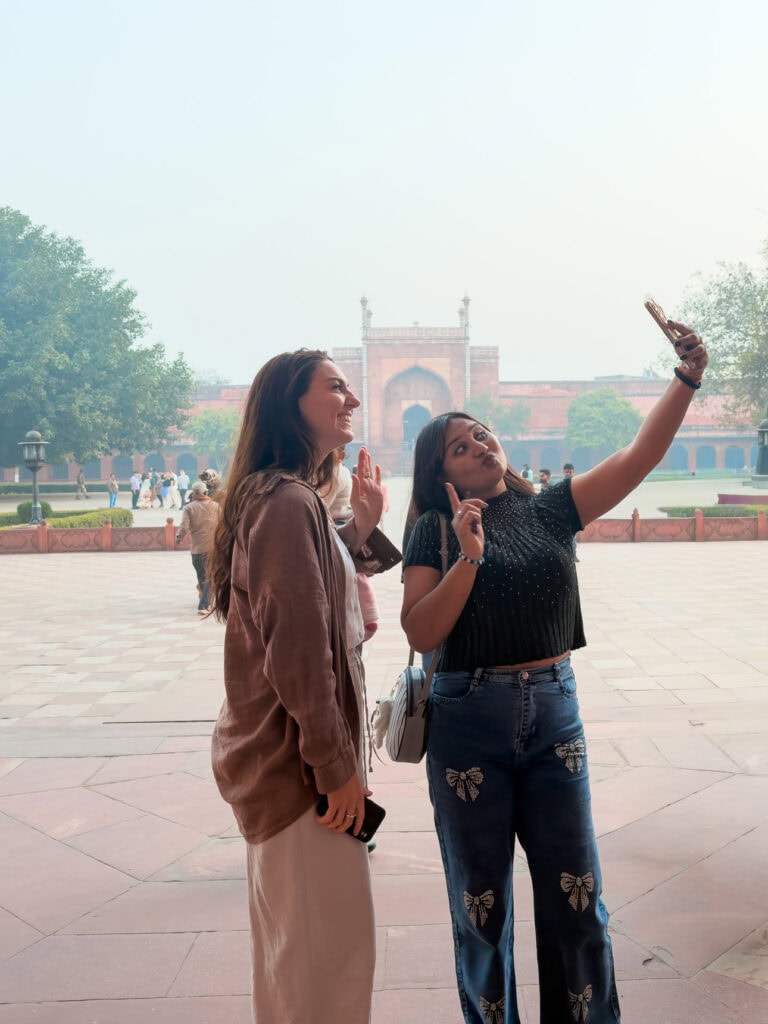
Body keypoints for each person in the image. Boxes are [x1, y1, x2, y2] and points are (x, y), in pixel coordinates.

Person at [400, 322, 708, 1024]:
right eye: (459, 445)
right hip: (468, 720)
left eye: (480, 433)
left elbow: (639, 457)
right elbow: (421, 630)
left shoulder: (550, 511)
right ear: (439, 474)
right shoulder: (435, 531)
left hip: (554, 715)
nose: (479, 445)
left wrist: (686, 379)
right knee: (481, 907)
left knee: (579, 900)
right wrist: (468, 556)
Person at [207, 349, 400, 1024]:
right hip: (299, 777)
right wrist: (334, 767)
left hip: (282, 768)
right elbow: (298, 654)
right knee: (329, 968)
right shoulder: (289, 502)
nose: (351, 399)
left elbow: (317, 581)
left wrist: (361, 530)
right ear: (292, 405)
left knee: (298, 964)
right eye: (335, 388)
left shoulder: (283, 497)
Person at [175, 481, 220, 614]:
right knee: (209, 576)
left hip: (197, 549)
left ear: (193, 494)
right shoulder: (216, 506)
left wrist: (178, 538)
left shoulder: (189, 508)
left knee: (203, 576)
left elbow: (184, 527)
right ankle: (204, 604)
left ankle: (205, 602)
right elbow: (224, 524)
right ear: (206, 492)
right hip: (213, 548)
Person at [563, 462, 579, 559]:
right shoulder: (561, 484)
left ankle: (574, 554)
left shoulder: (577, 483)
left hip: (573, 513)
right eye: (566, 472)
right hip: (563, 513)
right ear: (563, 472)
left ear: (573, 472)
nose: (568, 474)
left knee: (573, 537)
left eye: (570, 472)